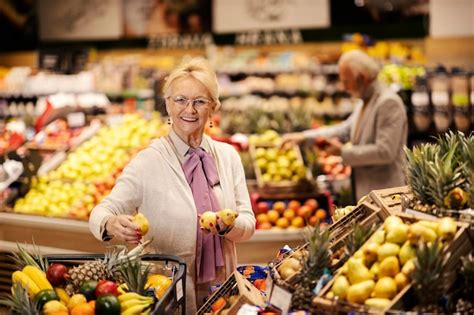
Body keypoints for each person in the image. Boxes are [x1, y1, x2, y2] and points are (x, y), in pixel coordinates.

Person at [89, 58, 256, 313]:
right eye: (180, 100)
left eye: (199, 101)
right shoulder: (148, 161)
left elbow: (248, 225)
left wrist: (229, 226)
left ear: (213, 107)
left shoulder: (228, 156)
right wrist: (110, 224)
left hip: (224, 295)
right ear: (167, 104)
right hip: (169, 296)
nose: (189, 109)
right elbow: (100, 212)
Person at [282, 50, 407, 200]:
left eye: (346, 81)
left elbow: (385, 152)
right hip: (368, 194)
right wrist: (303, 137)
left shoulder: (388, 103)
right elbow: (345, 129)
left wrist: (342, 152)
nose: (343, 87)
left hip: (387, 195)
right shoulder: (365, 101)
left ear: (362, 78)